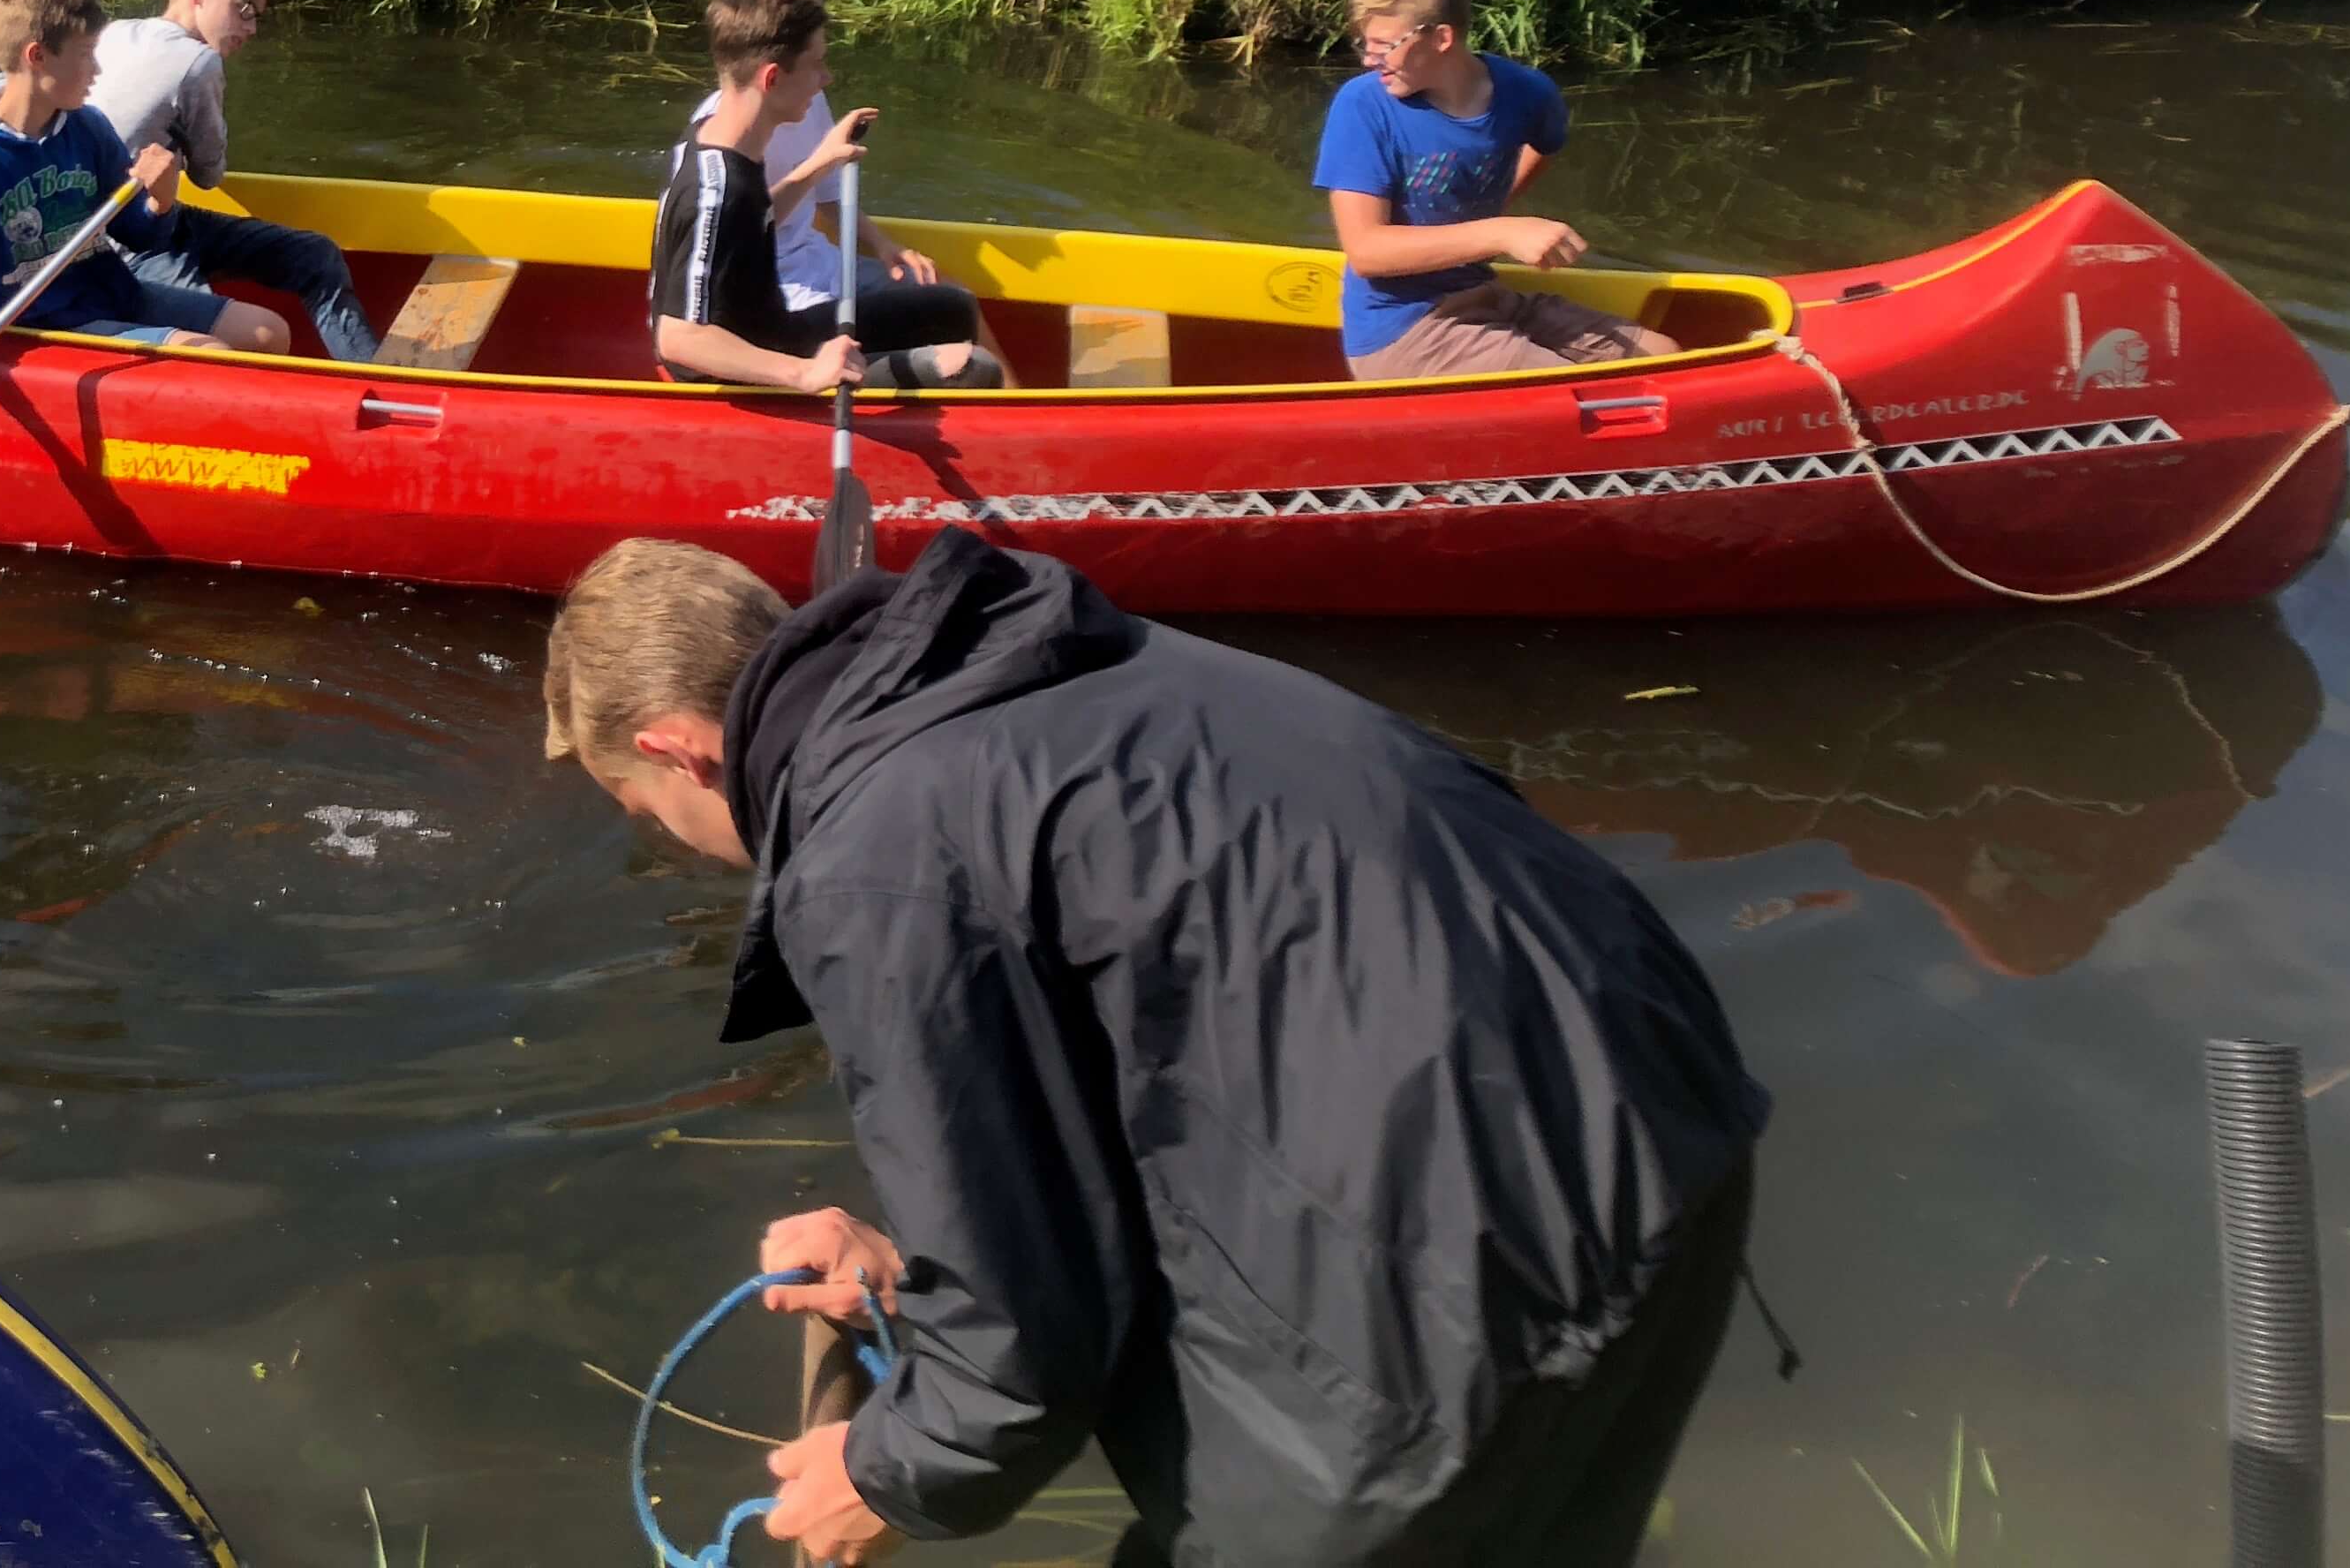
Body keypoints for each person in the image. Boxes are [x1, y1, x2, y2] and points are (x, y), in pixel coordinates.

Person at [545, 530, 1774, 1568]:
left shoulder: (869, 856)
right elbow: (1155, 1097)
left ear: (673, 748)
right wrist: (914, 1270)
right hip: (1663, 1136)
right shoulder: (1051, 669)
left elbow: (1022, 1360)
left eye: (647, 814)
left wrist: (887, 1468)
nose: (681, 843)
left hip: (1458, 1269)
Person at [0, 0, 290, 422]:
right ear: (37, 56)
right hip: (43, 324)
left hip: (109, 291)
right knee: (212, 358)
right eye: (86, 55)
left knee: (267, 333)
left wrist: (160, 202)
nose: (97, 71)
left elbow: (137, 234)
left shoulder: (85, 126)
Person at [1314, 0, 1668, 381]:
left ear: (1442, 38)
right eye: (1364, 43)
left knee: (1662, 357)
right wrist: (1501, 230)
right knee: (1571, 398)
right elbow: (1366, 251)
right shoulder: (1363, 106)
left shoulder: (1527, 93)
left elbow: (1545, 142)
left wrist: (1487, 210)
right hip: (1402, 328)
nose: (1370, 60)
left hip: (1482, 295)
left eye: (1386, 46)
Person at [653, 0, 1001, 392]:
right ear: (773, 78)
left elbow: (755, 220)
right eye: (816, 65)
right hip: (740, 375)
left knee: (954, 307)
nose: (827, 78)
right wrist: (806, 373)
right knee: (971, 368)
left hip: (771, 331)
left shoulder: (720, 138)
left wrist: (820, 163)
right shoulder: (717, 193)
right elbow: (678, 339)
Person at [86, 0, 380, 364]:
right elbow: (208, 175)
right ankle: (371, 383)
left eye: (257, 17)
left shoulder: (116, 32)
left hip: (155, 218)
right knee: (223, 343)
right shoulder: (198, 62)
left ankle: (372, 380)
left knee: (314, 253)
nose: (251, 29)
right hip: (134, 243)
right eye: (243, 10)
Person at [670, 0, 949, 318]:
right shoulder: (722, 132)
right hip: (776, 284)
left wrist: (884, 245)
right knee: (948, 347)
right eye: (804, 20)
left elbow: (829, 198)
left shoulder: (807, 96)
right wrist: (821, 163)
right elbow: (745, 226)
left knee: (951, 298)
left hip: (820, 261)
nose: (818, 31)